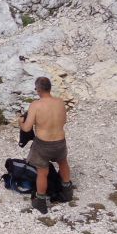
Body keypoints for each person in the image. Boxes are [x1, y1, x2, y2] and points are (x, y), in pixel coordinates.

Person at [18, 76, 73, 213]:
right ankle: (67, 192)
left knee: (42, 172)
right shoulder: (60, 102)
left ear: (38, 89)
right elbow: (64, 121)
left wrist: (20, 122)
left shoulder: (35, 105)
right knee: (63, 162)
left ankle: (40, 201)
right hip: (60, 141)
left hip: (43, 144)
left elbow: (26, 128)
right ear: (50, 88)